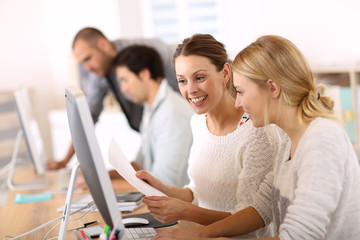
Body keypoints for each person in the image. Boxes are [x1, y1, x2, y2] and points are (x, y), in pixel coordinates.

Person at [152, 35, 360, 240]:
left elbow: (298, 236)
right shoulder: (289, 142)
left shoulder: (322, 139)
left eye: (241, 91)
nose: (237, 103)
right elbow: (260, 209)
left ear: (272, 88)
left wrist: (198, 235)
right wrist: (199, 234)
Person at [135, 34, 280, 238]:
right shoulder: (198, 123)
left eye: (200, 78)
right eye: (182, 81)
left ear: (225, 73)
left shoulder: (257, 132)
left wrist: (185, 211)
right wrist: (164, 189)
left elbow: (252, 222)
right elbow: (197, 192)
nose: (191, 90)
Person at [47, 27, 179, 170]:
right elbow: (87, 117)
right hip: (150, 135)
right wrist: (65, 161)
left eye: (88, 59)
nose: (87, 69)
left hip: (176, 129)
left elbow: (188, 87)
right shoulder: (99, 73)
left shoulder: (150, 52)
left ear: (103, 44)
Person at [113, 45, 193, 186]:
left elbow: (164, 181)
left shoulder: (171, 112)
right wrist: (106, 177)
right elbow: (140, 164)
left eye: (125, 80)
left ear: (144, 74)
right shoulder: (151, 107)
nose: (123, 89)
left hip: (175, 202)